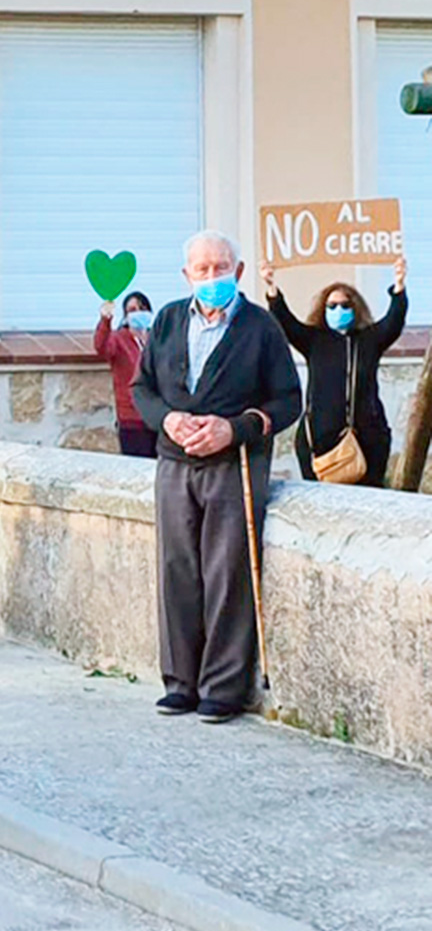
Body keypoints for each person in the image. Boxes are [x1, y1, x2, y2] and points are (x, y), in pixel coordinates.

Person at [133, 232, 302, 724]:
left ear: (239, 271)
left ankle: (222, 689)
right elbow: (141, 387)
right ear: (186, 276)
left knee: (228, 573)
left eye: (220, 268)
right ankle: (180, 683)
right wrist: (167, 418)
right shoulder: (166, 321)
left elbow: (289, 400)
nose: (212, 278)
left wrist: (234, 429)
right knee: (176, 571)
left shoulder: (261, 328)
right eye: (202, 270)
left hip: (234, 467)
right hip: (174, 463)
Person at [263, 257, 407, 487]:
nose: (338, 310)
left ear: (355, 308)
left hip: (367, 440)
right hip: (319, 441)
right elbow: (285, 322)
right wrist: (271, 288)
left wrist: (398, 284)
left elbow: (394, 321)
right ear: (323, 309)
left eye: (344, 305)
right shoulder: (313, 340)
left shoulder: (369, 340)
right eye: (331, 306)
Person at [95, 292, 158, 458]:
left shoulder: (156, 338)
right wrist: (105, 320)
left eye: (141, 308)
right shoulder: (119, 340)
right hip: (132, 420)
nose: (138, 312)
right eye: (132, 310)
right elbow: (102, 347)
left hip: (157, 417)